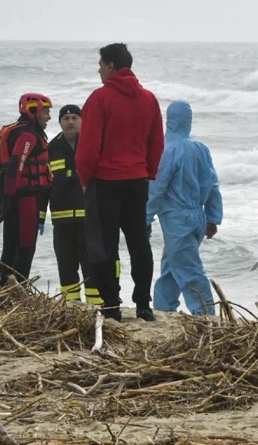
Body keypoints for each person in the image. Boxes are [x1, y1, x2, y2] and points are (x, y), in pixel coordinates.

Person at [76, 43, 164, 322]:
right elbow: (156, 143)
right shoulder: (149, 99)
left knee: (104, 245)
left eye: (101, 64)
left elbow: (88, 147)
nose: (98, 69)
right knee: (139, 242)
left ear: (111, 66)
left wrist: (84, 178)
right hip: (137, 180)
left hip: (105, 181)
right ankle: (143, 305)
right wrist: (148, 172)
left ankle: (111, 305)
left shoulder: (100, 98)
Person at [146, 101, 222, 316]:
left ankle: (206, 315)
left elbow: (157, 187)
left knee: (189, 270)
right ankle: (163, 309)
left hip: (176, 218)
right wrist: (213, 217)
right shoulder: (200, 148)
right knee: (172, 266)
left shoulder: (166, 149)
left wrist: (145, 216)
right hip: (198, 215)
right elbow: (213, 184)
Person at [0, 93, 53, 286]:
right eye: (47, 112)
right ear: (34, 110)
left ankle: (6, 290)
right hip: (24, 200)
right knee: (25, 247)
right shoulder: (27, 136)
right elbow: (16, 166)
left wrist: (5, 201)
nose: (49, 117)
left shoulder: (17, 131)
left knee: (10, 246)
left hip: (12, 199)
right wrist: (9, 199)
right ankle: (18, 291)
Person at [47, 105, 102, 305]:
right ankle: (71, 306)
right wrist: (39, 216)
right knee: (66, 265)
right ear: (60, 122)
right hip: (61, 221)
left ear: (83, 120)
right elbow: (45, 185)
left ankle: (96, 306)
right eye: (66, 118)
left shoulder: (93, 144)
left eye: (74, 117)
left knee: (92, 265)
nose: (70, 122)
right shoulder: (51, 148)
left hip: (89, 219)